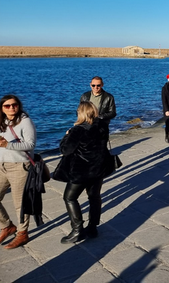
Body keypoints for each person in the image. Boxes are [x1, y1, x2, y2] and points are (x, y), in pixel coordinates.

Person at [55, 102, 109, 243]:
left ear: (81, 113)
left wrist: (67, 136)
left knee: (69, 197)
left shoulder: (77, 130)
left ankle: (77, 229)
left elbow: (65, 150)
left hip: (81, 171)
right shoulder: (102, 126)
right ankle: (92, 228)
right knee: (94, 197)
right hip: (98, 169)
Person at [0, 95, 35, 249]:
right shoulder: (1, 122)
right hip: (0, 166)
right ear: (1, 108)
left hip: (19, 166)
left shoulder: (24, 121)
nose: (11, 108)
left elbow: (30, 144)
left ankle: (22, 233)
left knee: (19, 203)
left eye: (14, 105)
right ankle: (7, 226)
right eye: (7, 106)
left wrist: (8, 145)